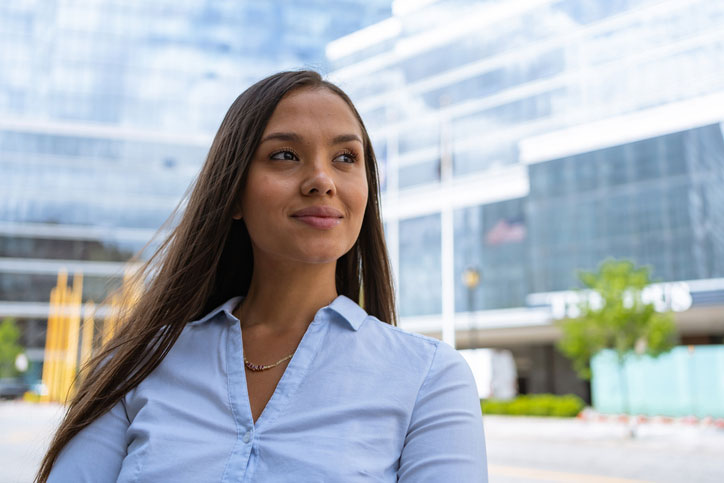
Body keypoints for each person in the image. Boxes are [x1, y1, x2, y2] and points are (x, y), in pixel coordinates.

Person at [38, 70, 487, 482]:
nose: (322, 180)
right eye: (286, 155)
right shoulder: (141, 365)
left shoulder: (429, 378)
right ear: (233, 193)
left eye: (345, 157)